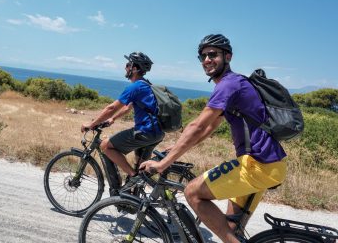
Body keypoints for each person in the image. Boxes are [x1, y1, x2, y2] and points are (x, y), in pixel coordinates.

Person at [140, 34, 287, 243]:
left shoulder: (229, 84)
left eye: (212, 54)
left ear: (228, 56)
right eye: (202, 56)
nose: (207, 60)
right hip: (267, 165)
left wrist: (163, 163)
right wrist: (174, 148)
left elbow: (197, 124)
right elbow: (207, 129)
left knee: (192, 192)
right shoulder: (235, 83)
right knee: (229, 227)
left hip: (258, 165)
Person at [81, 52, 164, 184]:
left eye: (128, 65)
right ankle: (133, 197)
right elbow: (127, 107)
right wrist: (113, 119)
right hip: (157, 133)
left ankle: (133, 177)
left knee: (105, 146)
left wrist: (92, 124)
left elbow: (111, 108)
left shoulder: (135, 86)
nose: (125, 67)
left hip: (145, 132)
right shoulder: (146, 85)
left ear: (135, 68)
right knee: (141, 168)